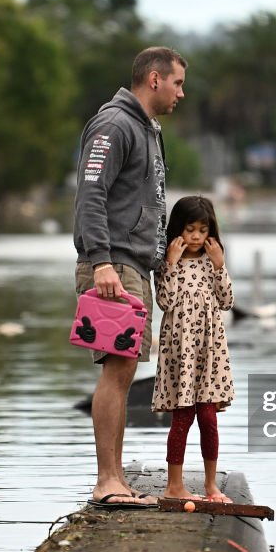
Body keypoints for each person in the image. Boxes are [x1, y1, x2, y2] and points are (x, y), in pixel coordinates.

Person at [73, 47, 187, 508]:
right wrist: (100, 261)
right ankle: (107, 482)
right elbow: (90, 195)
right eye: (178, 82)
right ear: (154, 79)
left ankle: (116, 479)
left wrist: (164, 265)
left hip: (133, 266)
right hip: (112, 267)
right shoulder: (114, 125)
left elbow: (148, 204)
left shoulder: (147, 129)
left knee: (123, 372)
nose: (183, 92)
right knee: (116, 374)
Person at [152, 196, 235, 503]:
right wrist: (171, 263)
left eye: (203, 230)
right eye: (190, 229)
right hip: (180, 351)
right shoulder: (167, 263)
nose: (197, 237)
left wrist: (219, 266)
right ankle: (174, 486)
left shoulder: (212, 262)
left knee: (209, 418)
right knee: (182, 416)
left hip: (210, 352)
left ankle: (212, 486)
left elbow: (227, 301)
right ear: (179, 230)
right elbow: (165, 302)